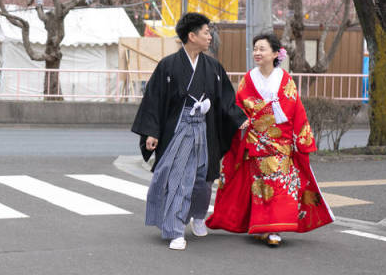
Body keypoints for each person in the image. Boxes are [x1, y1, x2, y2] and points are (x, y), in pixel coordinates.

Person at [131, 13, 247, 250]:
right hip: (180, 128)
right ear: (191, 36)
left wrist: (238, 118)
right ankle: (175, 230)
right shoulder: (169, 66)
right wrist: (152, 132)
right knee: (179, 178)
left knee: (204, 178)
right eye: (206, 32)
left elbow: (226, 97)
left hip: (205, 128)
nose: (209, 36)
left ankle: (198, 215)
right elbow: (154, 99)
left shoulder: (213, 67)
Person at [206, 33, 334, 246]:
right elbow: (239, 107)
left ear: (276, 53)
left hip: (280, 144)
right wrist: (249, 120)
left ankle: (276, 230)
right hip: (256, 142)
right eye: (255, 48)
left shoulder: (285, 79)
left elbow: (295, 110)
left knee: (281, 186)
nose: (257, 52)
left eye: (262, 49)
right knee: (261, 187)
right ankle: (262, 226)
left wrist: (297, 140)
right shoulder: (248, 79)